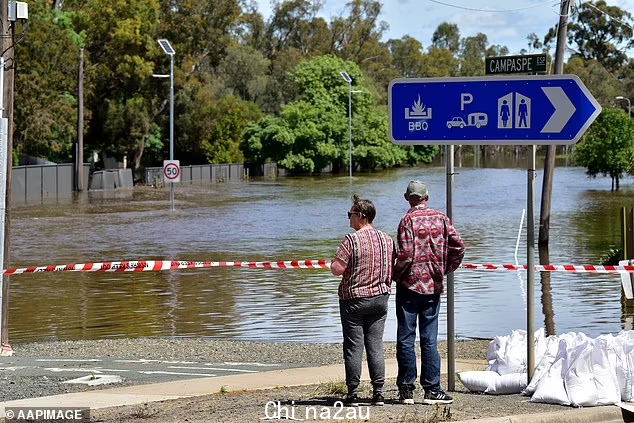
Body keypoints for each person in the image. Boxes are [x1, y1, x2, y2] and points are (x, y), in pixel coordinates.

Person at [394, 181, 465, 405]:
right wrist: (445, 269)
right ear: (428, 197)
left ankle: (406, 391)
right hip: (433, 286)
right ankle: (432, 390)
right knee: (429, 339)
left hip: (409, 286)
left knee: (406, 338)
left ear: (407, 198)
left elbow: (405, 255)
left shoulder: (407, 220)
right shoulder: (442, 218)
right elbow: (459, 246)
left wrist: (395, 275)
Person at [331, 195, 397, 407]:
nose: (348, 218)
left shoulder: (351, 240)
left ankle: (353, 394)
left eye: (350, 214)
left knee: (353, 347)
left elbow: (337, 269)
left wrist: (334, 262)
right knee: (375, 345)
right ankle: (378, 393)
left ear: (361, 216)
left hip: (354, 301)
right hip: (380, 299)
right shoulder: (387, 239)